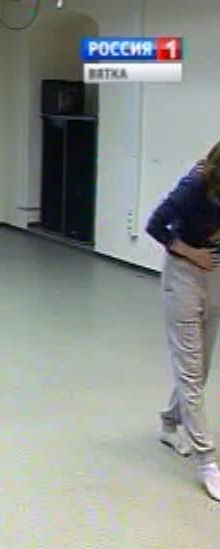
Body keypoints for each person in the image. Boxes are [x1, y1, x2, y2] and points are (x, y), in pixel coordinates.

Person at [146, 140, 220, 501]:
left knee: (200, 369)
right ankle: (208, 461)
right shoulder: (195, 185)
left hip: (214, 273)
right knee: (190, 372)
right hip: (184, 275)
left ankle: (169, 423)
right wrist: (192, 253)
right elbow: (155, 225)